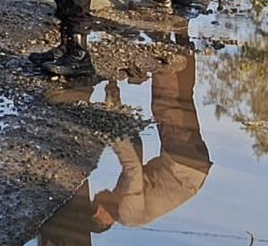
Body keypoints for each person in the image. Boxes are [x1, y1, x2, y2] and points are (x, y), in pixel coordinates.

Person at [86, 61, 211, 232]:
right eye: (94, 203)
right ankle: (167, 56)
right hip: (182, 167)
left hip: (189, 167)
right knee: (165, 103)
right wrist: (115, 136)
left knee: (181, 101)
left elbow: (135, 151)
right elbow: (133, 167)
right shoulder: (126, 212)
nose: (96, 197)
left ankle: (183, 44)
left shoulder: (123, 207)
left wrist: (114, 100)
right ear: (99, 214)